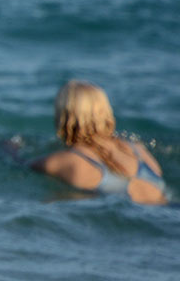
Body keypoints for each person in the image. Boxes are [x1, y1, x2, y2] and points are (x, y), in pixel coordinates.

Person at [30, 80, 167, 205]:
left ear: (63, 117)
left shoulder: (69, 160)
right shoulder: (138, 149)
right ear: (105, 111)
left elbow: (21, 165)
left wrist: (11, 148)